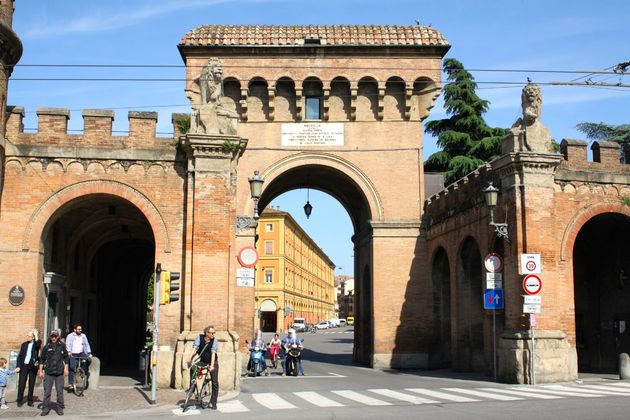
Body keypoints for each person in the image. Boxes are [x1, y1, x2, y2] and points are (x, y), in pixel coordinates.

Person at [187, 325, 218, 410]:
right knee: (193, 368)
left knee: (215, 382)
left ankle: (213, 402)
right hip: (203, 361)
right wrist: (189, 358)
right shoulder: (199, 338)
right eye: (212, 333)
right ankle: (192, 388)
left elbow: (213, 353)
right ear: (206, 333)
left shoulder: (214, 340)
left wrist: (211, 366)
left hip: (213, 362)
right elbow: (195, 348)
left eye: (214, 333)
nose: (213, 334)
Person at [38, 330, 68, 416]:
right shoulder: (46, 346)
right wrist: (40, 371)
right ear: (50, 337)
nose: (53, 338)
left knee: (59, 392)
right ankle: (46, 408)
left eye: (55, 336)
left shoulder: (62, 346)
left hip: (59, 372)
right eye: (52, 336)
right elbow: (42, 359)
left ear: (58, 337)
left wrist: (66, 369)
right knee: (47, 391)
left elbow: (66, 357)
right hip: (49, 372)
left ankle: (60, 408)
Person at [16, 328, 41, 407]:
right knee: (21, 383)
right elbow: (20, 356)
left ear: (33, 337)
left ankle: (30, 400)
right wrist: (18, 366)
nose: (27, 337)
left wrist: (36, 334)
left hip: (33, 366)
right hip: (24, 365)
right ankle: (19, 400)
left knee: (31, 383)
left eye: (29, 336)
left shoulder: (36, 343)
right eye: (27, 335)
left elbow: (38, 345)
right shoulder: (24, 344)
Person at [65, 324, 92, 392]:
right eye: (79, 329)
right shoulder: (70, 336)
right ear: (75, 330)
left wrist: (89, 353)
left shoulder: (83, 336)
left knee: (87, 359)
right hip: (73, 353)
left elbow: (86, 344)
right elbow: (67, 344)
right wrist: (69, 351)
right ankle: (70, 383)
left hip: (81, 352)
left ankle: (82, 371)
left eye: (81, 329)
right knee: (72, 367)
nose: (80, 330)